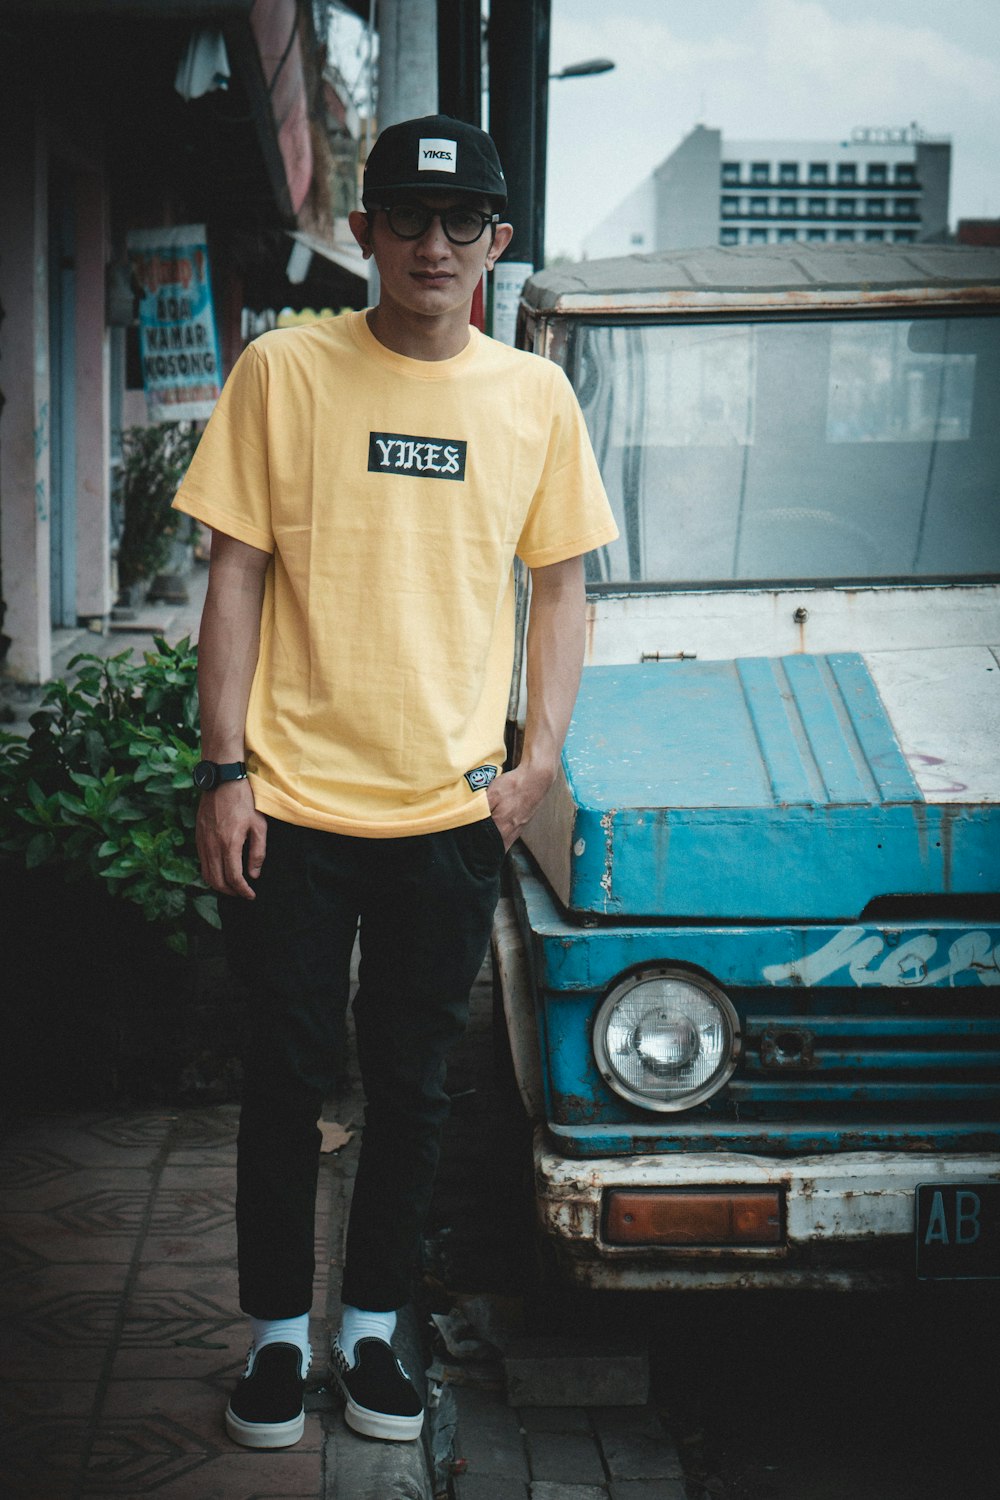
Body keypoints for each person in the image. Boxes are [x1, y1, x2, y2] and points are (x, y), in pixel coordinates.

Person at [172, 113, 618, 1450]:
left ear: (497, 244)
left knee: (416, 1086)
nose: (434, 247)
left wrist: (537, 761)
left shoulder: (532, 398)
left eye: (462, 224)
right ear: (362, 232)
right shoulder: (285, 371)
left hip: (446, 808)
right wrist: (222, 770)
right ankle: (273, 1340)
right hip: (293, 802)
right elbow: (235, 575)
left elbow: (563, 590)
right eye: (408, 221)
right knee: (283, 1077)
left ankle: (371, 1335)